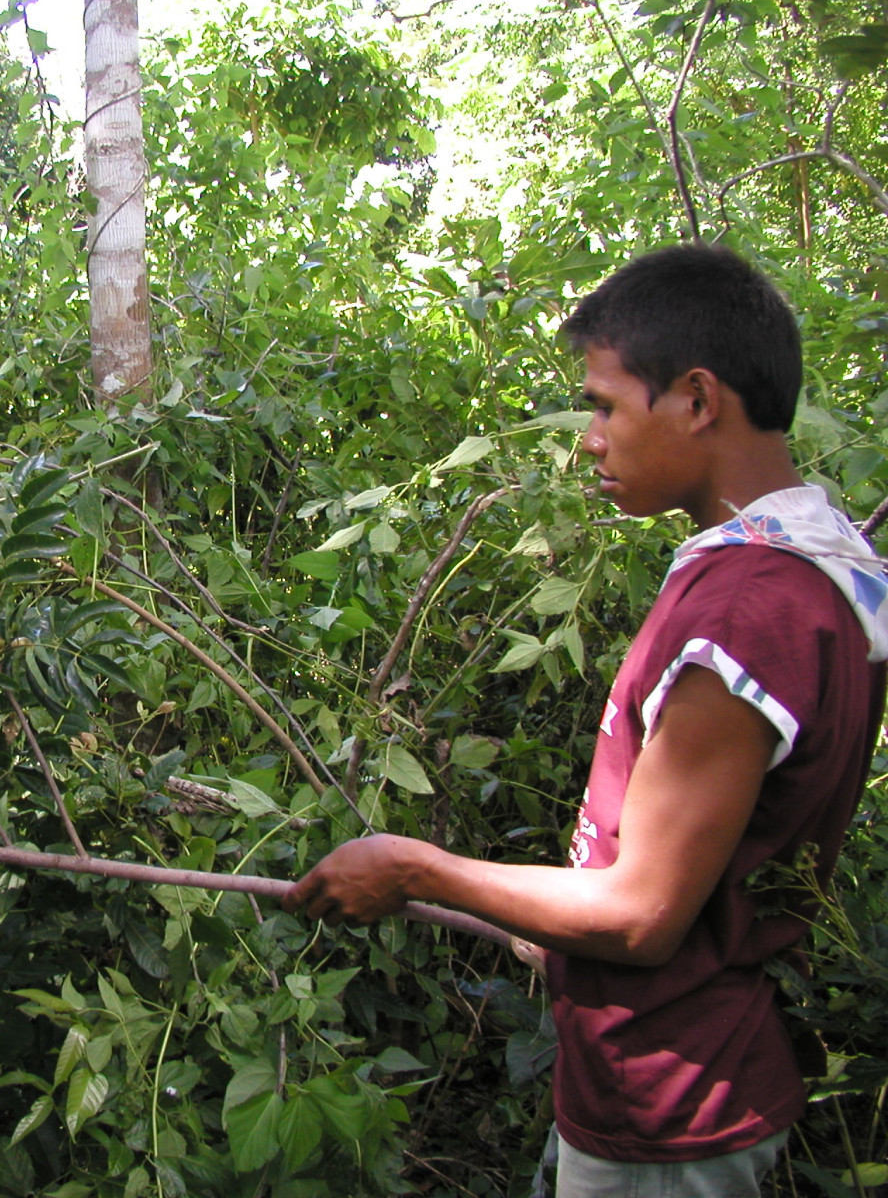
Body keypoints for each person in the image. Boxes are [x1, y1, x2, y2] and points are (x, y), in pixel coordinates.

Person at [286, 245, 888, 1195]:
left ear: (696, 399)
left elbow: (643, 913)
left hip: (670, 1103)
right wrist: (559, 914)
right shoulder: (814, 565)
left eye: (606, 406)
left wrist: (413, 866)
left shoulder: (747, 611)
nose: (588, 439)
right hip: (665, 1073)